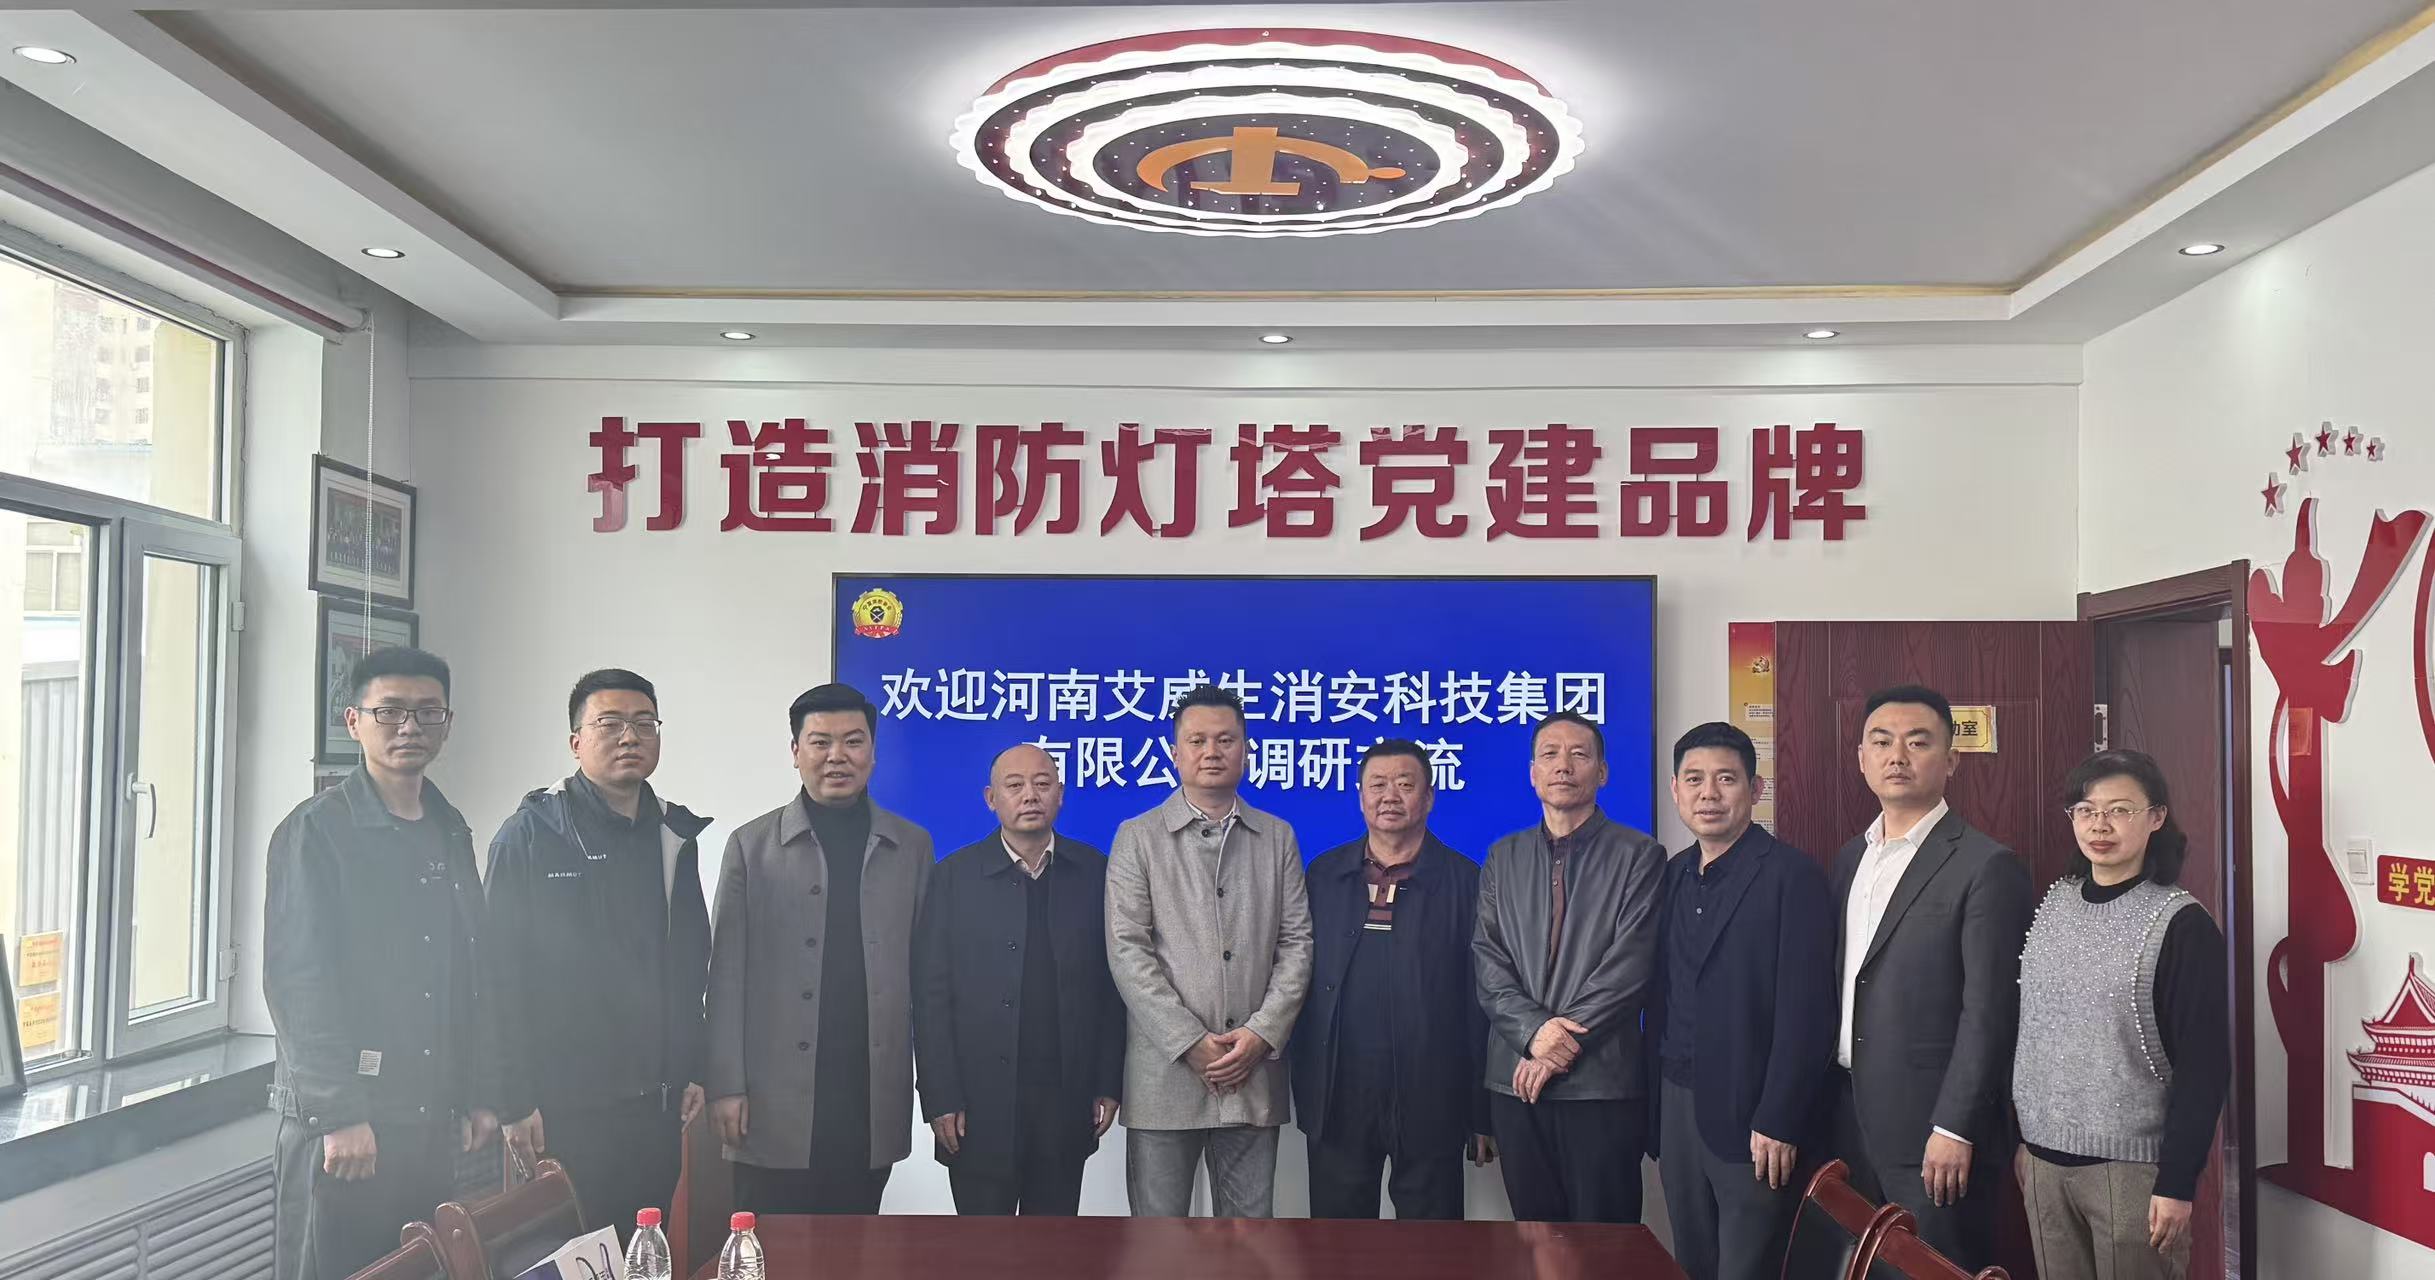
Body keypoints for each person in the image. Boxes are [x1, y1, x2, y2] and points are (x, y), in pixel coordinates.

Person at [266, 647, 499, 1280]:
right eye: (390, 711)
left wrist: (478, 1092)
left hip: (427, 1117)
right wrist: (341, 1115)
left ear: (447, 723)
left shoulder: (448, 826)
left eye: (428, 712)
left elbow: (467, 974)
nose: (409, 727)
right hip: (345, 1126)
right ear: (353, 721)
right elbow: (298, 982)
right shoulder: (316, 832)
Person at [483, 669, 714, 1240]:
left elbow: (690, 965)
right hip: (562, 1107)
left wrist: (693, 1066)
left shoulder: (673, 836)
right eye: (610, 724)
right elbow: (496, 977)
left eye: (644, 723)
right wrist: (513, 1100)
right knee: (572, 1256)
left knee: (643, 1250)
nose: (629, 736)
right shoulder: (531, 835)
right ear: (576, 741)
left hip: (655, 1105)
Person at [706, 683, 933, 1214]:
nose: (837, 756)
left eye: (853, 741)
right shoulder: (751, 846)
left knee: (856, 1242)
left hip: (868, 1094)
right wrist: (725, 1085)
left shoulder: (911, 847)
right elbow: (725, 977)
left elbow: (928, 978)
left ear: (873, 752)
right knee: (770, 1244)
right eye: (820, 742)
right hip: (770, 1099)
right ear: (795, 752)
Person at [1830, 685, 2033, 1270]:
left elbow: (1990, 1011)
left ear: (1950, 760)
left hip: (1933, 1130)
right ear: (1861, 758)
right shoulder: (1851, 858)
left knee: (1936, 1267)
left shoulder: (1985, 865)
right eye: (1881, 742)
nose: (1897, 756)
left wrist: (1955, 1126)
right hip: (1847, 1116)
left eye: (1918, 743)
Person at [2014, 750, 2229, 1280]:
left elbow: (2204, 1067)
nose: (2100, 825)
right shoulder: (2055, 904)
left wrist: (2177, 1181)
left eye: (2120, 810)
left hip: (2133, 1170)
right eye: (2086, 810)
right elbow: (2029, 1031)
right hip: (2041, 1162)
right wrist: (2019, 1141)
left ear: (2156, 817)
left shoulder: (2181, 924)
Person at [1105, 684, 1314, 1218]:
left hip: (1253, 1073)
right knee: (1159, 1243)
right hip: (1165, 1075)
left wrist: (1261, 1034)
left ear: (1246, 750)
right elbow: (1128, 950)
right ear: (1176, 753)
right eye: (1197, 740)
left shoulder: (1277, 837)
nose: (1212, 751)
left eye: (1226, 740)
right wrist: (1189, 1042)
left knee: (1249, 1242)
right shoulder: (1137, 837)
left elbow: (1296, 943)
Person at [1648, 723, 1837, 1280]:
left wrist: (1779, 1116)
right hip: (1677, 1104)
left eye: (1726, 779)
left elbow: (1808, 1012)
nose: (1709, 793)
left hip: (1753, 1114)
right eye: (1694, 780)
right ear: (1676, 790)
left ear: (1755, 789)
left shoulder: (1792, 876)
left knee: (1747, 1267)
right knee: (1691, 1262)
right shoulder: (1672, 874)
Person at [913, 743, 1126, 1215]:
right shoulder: (954, 877)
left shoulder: (1094, 872)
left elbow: (1112, 988)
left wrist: (1108, 1081)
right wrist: (940, 1096)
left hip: (1065, 1099)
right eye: (1015, 786)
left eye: (1042, 784)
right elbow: (930, 996)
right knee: (983, 1247)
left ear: (1060, 794)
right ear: (991, 799)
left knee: (1053, 1245)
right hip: (977, 1105)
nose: (1030, 795)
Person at [1473, 710, 1667, 1223]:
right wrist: (1533, 1034)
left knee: (1605, 1241)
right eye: (1550, 755)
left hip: (1601, 1084)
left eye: (1579, 754)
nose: (1564, 765)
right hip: (1515, 1082)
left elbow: (1630, 966)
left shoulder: (1640, 855)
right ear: (1533, 773)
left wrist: (1554, 1048)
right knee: (1534, 1238)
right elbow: (1488, 962)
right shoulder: (1502, 856)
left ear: (1602, 772)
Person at [1291, 739, 1494, 1220]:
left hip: (1433, 1093)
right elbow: (1295, 974)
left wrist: (1481, 1111)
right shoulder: (1324, 875)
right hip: (1340, 1090)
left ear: (1429, 797)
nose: (1390, 796)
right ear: (1360, 796)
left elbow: (1481, 1000)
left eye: (1405, 784)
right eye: (1377, 784)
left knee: (1431, 1244)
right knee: (1338, 1241)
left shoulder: (1465, 880)